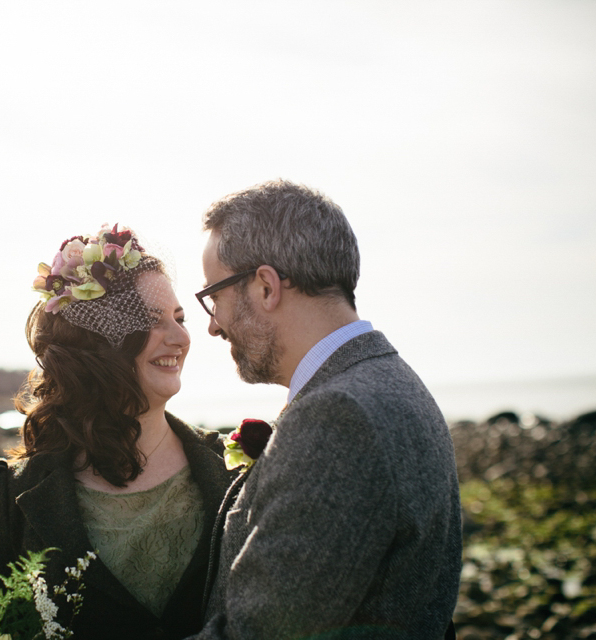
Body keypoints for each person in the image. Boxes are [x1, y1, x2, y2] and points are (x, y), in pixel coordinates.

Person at [190, 180, 462, 640]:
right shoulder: (390, 381)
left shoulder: (339, 417)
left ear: (265, 286)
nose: (214, 326)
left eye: (213, 296)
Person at [0, 224, 236, 640]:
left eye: (180, 318)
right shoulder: (13, 492)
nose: (181, 338)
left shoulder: (233, 469)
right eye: (153, 321)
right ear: (99, 343)